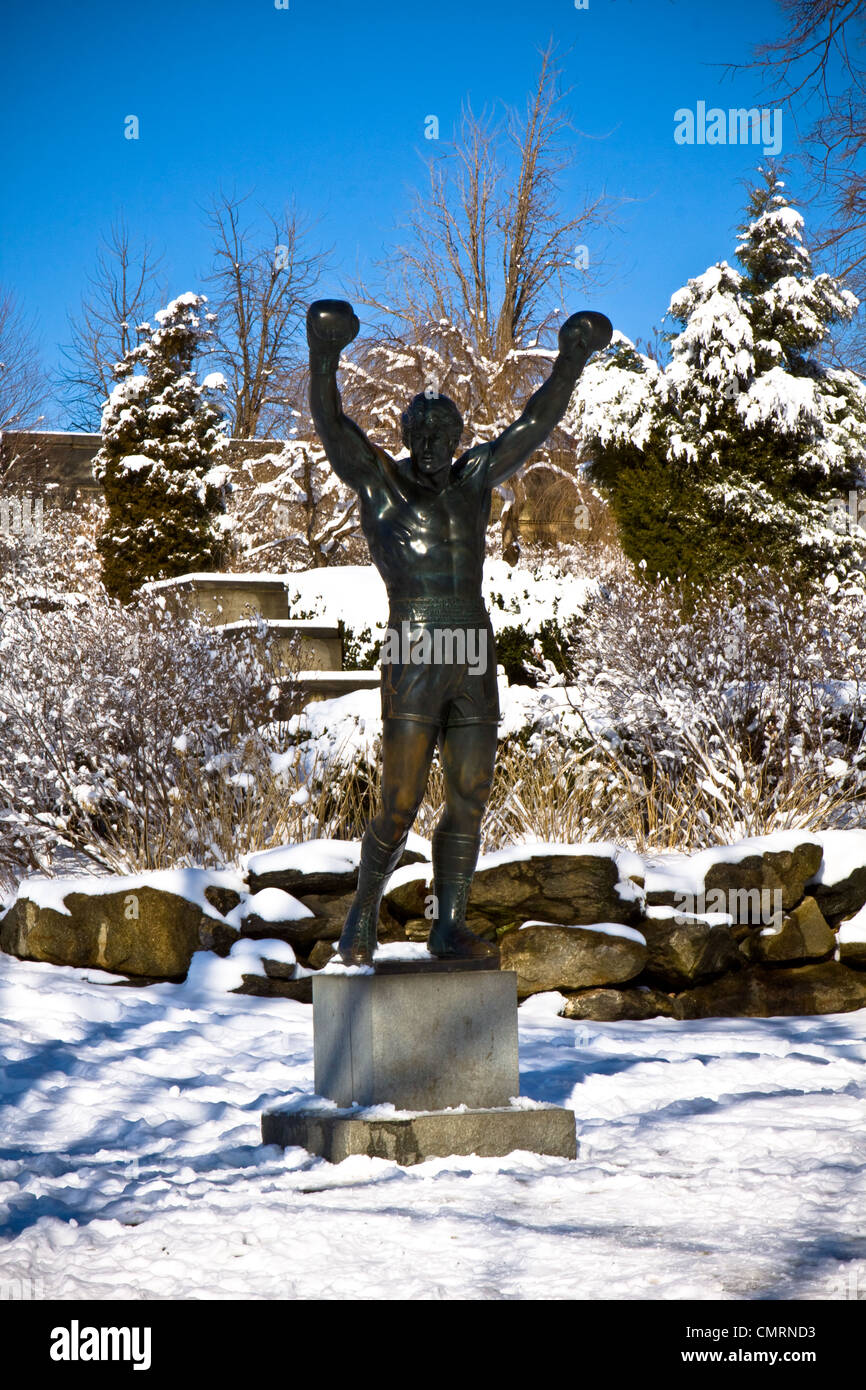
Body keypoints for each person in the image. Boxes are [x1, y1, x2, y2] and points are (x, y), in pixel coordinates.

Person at [307, 299, 612, 963]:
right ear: (410, 437)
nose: (439, 446)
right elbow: (333, 428)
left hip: (472, 644)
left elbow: (534, 424)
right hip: (415, 643)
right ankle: (363, 912)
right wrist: (325, 352)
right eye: (427, 435)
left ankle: (449, 922)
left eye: (448, 434)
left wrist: (570, 359)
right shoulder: (382, 486)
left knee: (471, 792)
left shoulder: (474, 479)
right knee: (401, 798)